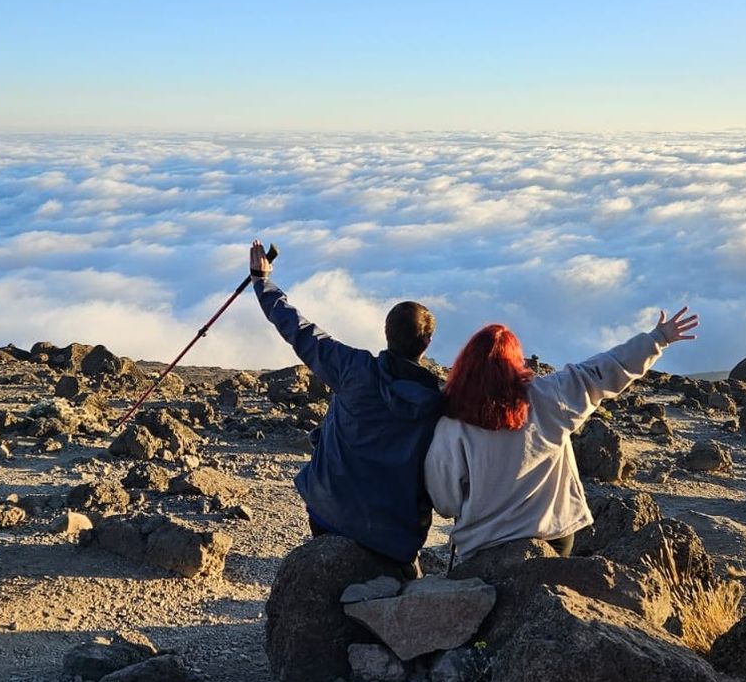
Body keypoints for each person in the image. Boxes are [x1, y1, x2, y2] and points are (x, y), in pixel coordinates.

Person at [424, 307, 698, 562]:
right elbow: (603, 370)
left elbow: (445, 502)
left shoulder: (452, 423)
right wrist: (657, 339)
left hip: (483, 547)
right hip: (552, 534)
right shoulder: (549, 396)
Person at [249, 240, 442, 575]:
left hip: (328, 514)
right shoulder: (439, 403)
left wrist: (261, 282)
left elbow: (299, 330)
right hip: (393, 539)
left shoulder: (352, 369)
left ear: (386, 334)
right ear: (427, 343)